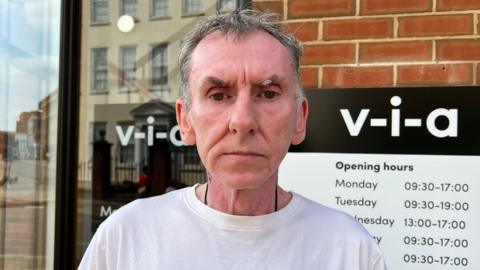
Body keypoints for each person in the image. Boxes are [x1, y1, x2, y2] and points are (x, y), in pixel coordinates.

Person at [78, 10, 386, 270]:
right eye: (218, 95)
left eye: (268, 93)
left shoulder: (349, 248)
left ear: (300, 119)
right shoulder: (125, 236)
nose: (242, 121)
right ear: (186, 121)